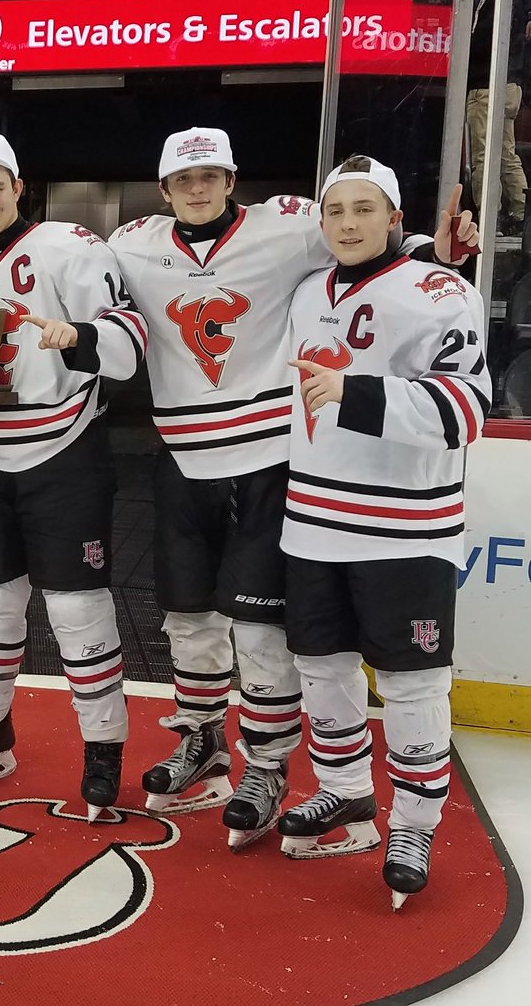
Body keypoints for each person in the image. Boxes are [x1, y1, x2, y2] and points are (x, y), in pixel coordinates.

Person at [33, 127, 476, 848]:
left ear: (232, 177)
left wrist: (437, 252)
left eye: (210, 175)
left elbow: (365, 235)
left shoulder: (289, 224)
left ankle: (267, 765)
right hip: (180, 458)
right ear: (166, 187)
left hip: (269, 463)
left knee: (262, 630)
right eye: (184, 179)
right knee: (187, 619)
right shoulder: (136, 240)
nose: (198, 189)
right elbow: (65, 261)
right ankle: (202, 739)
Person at [276, 155, 489, 911]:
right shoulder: (308, 291)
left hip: (404, 530)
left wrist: (355, 392)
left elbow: (466, 412)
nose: (348, 224)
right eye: (335, 211)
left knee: (410, 683)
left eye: (365, 210)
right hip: (312, 522)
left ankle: (415, 823)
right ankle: (343, 792)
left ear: (395, 217)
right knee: (323, 667)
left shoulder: (443, 290)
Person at [0, 134, 145, 821]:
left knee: (77, 610)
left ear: (19, 187)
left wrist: (75, 336)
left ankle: (104, 747)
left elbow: (129, 340)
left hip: (64, 449)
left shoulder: (72, 245)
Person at [466, 0, 531, 234]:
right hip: (503, 85)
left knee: (484, 156)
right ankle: (522, 212)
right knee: (505, 154)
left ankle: (489, 220)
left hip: (490, 86)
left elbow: (483, 42)